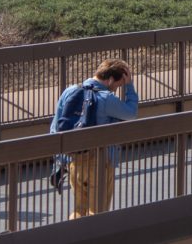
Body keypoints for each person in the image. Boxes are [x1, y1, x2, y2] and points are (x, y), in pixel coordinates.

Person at [50, 58, 138, 219]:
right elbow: (131, 113)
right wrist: (130, 86)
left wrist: (60, 160)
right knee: (98, 213)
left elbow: (55, 127)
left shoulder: (70, 91)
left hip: (74, 160)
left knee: (79, 210)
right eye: (118, 85)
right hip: (99, 162)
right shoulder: (106, 98)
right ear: (111, 79)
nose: (116, 89)